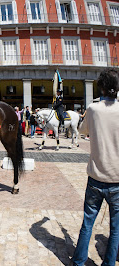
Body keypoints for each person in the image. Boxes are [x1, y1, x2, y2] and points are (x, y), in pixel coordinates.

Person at [71, 68, 119, 266]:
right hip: (117, 178)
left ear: (101, 87)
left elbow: (82, 131)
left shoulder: (93, 108)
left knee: (87, 224)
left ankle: (79, 262)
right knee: (115, 229)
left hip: (96, 177)